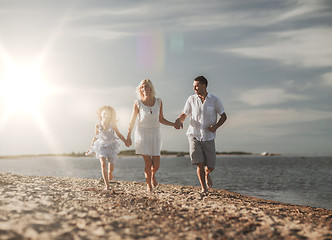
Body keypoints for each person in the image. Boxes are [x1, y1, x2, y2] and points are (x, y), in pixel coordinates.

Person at [175, 76, 227, 193]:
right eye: (193, 86)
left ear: (204, 85)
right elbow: (184, 114)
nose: (194, 88)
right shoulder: (191, 99)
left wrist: (215, 127)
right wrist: (179, 120)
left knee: (210, 167)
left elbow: (223, 116)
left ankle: (207, 174)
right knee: (199, 163)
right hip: (194, 135)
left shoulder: (215, 100)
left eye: (196, 86)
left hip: (209, 137)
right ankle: (204, 188)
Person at [127, 79, 176, 192]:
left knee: (157, 164)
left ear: (151, 88)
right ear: (140, 89)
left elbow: (161, 119)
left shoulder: (158, 102)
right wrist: (128, 135)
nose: (145, 89)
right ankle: (148, 184)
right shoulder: (137, 103)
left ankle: (153, 175)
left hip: (155, 133)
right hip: (142, 133)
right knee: (148, 163)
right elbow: (132, 121)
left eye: (147, 87)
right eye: (142, 87)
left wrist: (173, 124)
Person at [86, 106, 129, 191]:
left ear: (110, 116)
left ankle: (110, 172)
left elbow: (119, 134)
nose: (106, 115)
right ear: (101, 114)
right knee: (103, 164)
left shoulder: (113, 124)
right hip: (101, 146)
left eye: (108, 114)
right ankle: (107, 185)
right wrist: (90, 147)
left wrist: (125, 141)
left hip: (111, 146)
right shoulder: (98, 125)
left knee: (111, 165)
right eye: (104, 113)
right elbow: (95, 136)